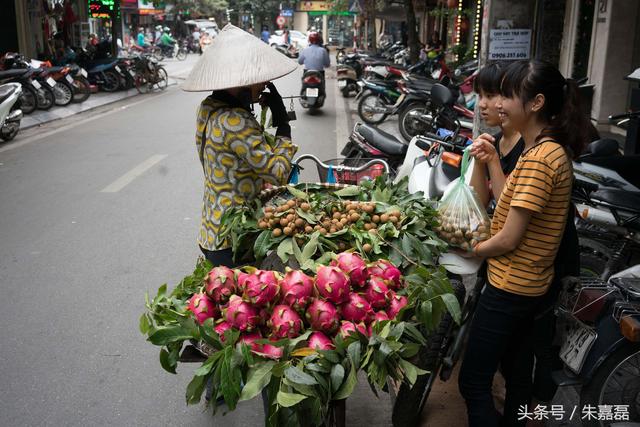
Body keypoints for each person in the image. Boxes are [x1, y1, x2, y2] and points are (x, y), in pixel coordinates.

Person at [458, 59, 591, 427]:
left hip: (510, 286)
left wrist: (470, 250)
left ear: (535, 103)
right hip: (527, 285)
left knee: (473, 382)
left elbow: (509, 237)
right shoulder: (544, 150)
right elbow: (508, 202)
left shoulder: (540, 158)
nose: (498, 105)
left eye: (508, 96)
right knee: (517, 374)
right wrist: (488, 164)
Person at [182, 24, 298, 267]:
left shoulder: (208, 107)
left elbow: (240, 157)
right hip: (233, 237)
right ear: (240, 82)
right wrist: (283, 125)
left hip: (212, 227)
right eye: (258, 79)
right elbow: (278, 173)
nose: (264, 83)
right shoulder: (235, 120)